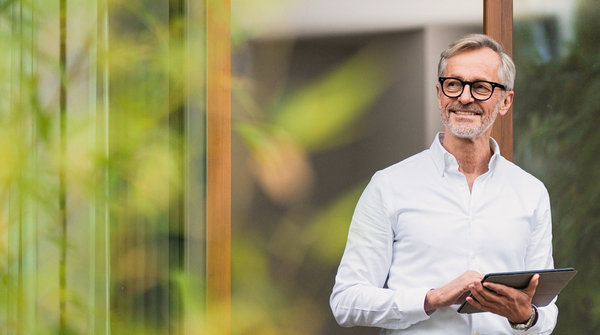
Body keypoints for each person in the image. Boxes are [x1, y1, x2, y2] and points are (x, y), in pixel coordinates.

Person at [330, 34, 557, 334]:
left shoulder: (531, 193)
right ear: (439, 95)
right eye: (453, 84)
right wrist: (432, 298)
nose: (464, 97)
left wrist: (525, 316)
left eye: (480, 87)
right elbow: (346, 301)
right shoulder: (389, 186)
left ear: (505, 101)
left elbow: (546, 309)